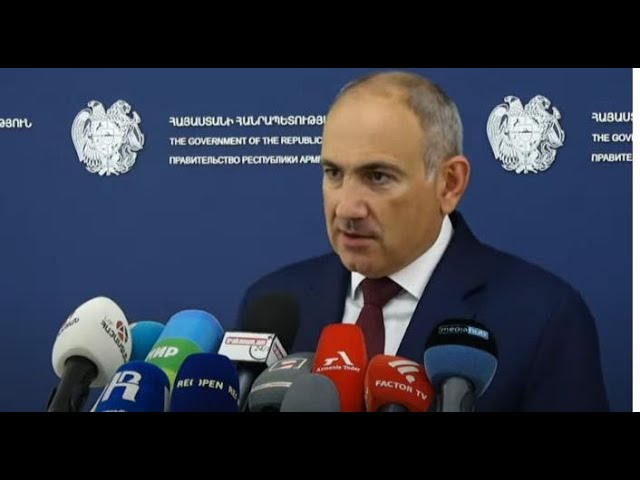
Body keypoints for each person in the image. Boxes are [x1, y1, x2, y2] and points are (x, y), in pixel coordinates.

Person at [236, 70, 609, 412]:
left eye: (378, 176)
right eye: (333, 172)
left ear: (449, 184)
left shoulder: (543, 318)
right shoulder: (272, 306)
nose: (347, 207)